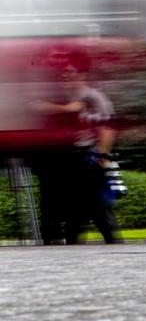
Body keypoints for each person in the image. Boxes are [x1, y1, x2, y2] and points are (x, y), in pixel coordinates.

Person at [27, 50, 120, 244]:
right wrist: (67, 109)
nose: (64, 75)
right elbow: (35, 106)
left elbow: (108, 128)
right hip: (71, 162)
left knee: (97, 210)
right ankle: (74, 249)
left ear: (82, 73)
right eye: (62, 71)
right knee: (77, 213)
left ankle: (114, 247)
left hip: (89, 160)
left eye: (69, 71)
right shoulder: (63, 97)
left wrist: (102, 158)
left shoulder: (93, 98)